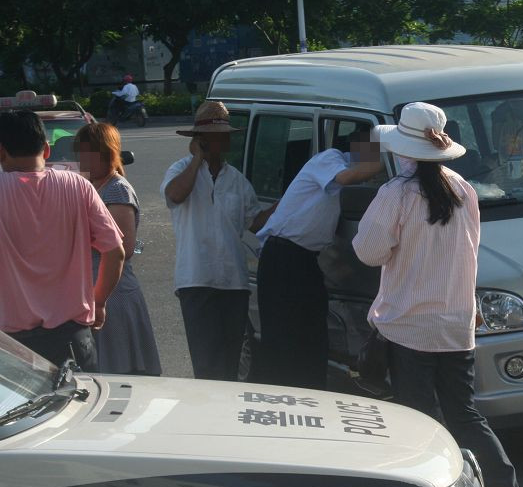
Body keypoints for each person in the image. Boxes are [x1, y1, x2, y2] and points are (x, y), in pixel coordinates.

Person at [352, 102, 523, 487]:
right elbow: (471, 252)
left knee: (420, 422)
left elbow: (367, 251)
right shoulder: (464, 189)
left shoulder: (395, 193)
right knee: (466, 414)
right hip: (457, 323)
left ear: (403, 150)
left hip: (408, 327)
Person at [255, 126, 384, 388]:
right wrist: (386, 162)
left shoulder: (359, 172)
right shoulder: (329, 159)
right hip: (282, 254)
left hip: (305, 258)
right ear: (358, 146)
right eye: (374, 147)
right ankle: (278, 397)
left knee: (312, 333)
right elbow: (347, 178)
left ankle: (310, 394)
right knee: (282, 336)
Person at [161, 101, 277, 381]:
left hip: (233, 282)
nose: (226, 140)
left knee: (229, 362)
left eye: (226, 135)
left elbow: (255, 221)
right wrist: (197, 160)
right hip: (196, 281)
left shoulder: (236, 180)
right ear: (201, 140)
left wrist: (289, 203)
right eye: (219, 135)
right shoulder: (180, 170)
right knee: (206, 364)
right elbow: (175, 195)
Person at [0, 111, 124, 369]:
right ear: (46, 150)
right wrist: (98, 301)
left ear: (1, 152)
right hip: (73, 338)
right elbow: (115, 251)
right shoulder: (78, 186)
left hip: (11, 346)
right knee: (83, 408)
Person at [74, 123, 162, 375]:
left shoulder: (117, 189)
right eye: (79, 152)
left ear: (106, 153)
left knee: (117, 368)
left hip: (113, 290)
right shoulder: (90, 186)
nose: (80, 159)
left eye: (86, 152)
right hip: (93, 287)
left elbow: (124, 246)